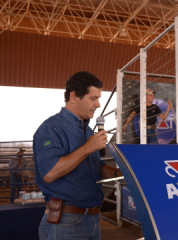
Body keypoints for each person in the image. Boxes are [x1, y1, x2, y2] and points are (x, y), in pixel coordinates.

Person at [33, 71, 122, 240]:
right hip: (65, 221)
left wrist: (120, 173)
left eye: (98, 99)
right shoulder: (51, 128)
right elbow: (50, 173)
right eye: (93, 98)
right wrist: (87, 148)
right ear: (74, 96)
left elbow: (97, 166)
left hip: (93, 217)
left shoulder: (87, 130)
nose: (98, 104)